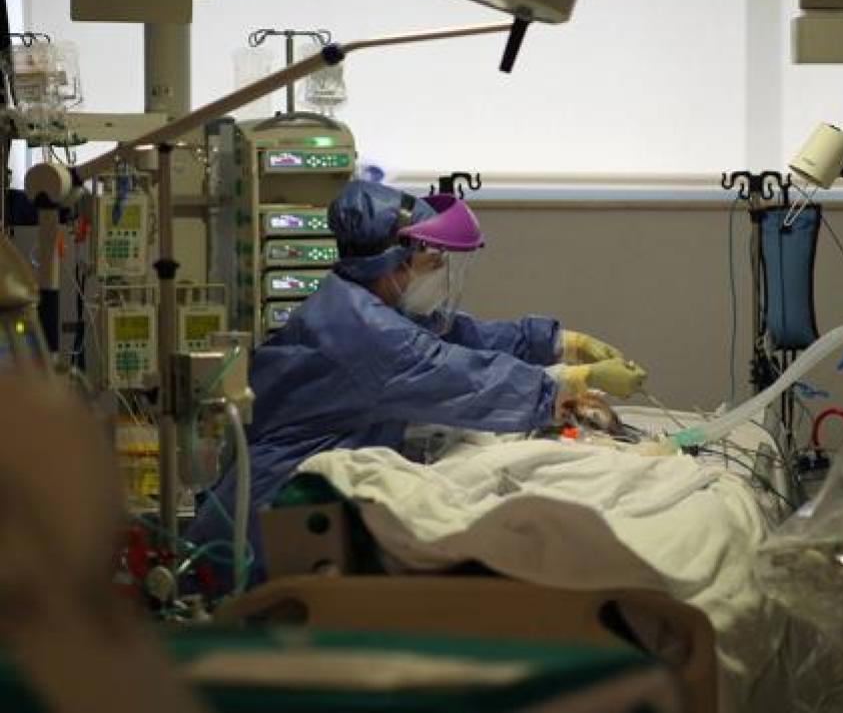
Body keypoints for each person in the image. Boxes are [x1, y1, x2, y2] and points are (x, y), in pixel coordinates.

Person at [187, 180, 646, 580]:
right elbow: (466, 378)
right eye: (434, 262)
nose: (440, 274)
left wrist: (562, 342)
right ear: (396, 262)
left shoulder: (355, 302)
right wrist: (571, 385)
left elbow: (459, 336)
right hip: (272, 520)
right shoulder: (372, 336)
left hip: (284, 505)